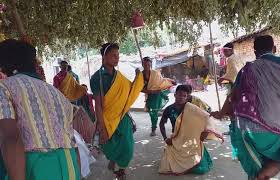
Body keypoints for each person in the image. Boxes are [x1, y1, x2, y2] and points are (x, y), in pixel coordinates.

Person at [211, 35, 280, 180]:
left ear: (254, 51)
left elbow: (231, 98)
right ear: (274, 49)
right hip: (270, 127)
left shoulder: (247, 69)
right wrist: (276, 121)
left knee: (257, 162)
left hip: (243, 129)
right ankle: (261, 176)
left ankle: (260, 175)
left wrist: (221, 113)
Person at [0, 39, 80, 180]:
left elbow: (11, 139)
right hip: (70, 165)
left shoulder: (5, 88)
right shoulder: (56, 93)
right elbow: (73, 143)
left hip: (35, 168)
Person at [90, 43, 144, 180]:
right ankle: (113, 159)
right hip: (107, 119)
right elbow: (99, 106)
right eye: (113, 55)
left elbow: (129, 91)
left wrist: (138, 78)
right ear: (104, 57)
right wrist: (102, 127)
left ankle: (121, 171)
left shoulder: (119, 76)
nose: (117, 58)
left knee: (128, 148)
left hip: (122, 118)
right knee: (109, 147)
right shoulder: (97, 78)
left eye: (118, 55)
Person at [158, 85, 223, 175]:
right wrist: (165, 138)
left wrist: (211, 118)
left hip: (191, 139)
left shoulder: (191, 108)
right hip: (176, 139)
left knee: (201, 169)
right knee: (168, 166)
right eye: (179, 95)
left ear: (187, 97)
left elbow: (205, 116)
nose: (181, 97)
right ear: (175, 95)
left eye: (184, 96)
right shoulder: (169, 109)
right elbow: (161, 124)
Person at [141, 57, 174, 136]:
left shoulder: (155, 73)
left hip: (158, 95)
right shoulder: (140, 75)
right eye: (145, 64)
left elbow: (162, 81)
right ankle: (157, 113)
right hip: (150, 96)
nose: (147, 66)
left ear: (151, 65)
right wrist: (150, 91)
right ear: (142, 64)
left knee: (153, 113)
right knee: (151, 112)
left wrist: (170, 81)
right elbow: (139, 88)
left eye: (148, 64)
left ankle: (153, 129)